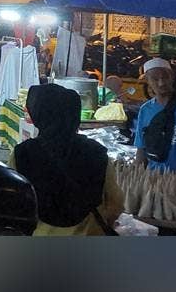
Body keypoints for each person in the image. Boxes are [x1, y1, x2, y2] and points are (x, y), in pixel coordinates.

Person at [9, 83, 124, 235]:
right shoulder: (96, 151)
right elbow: (115, 203)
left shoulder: (22, 153)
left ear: (38, 114)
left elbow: (13, 201)